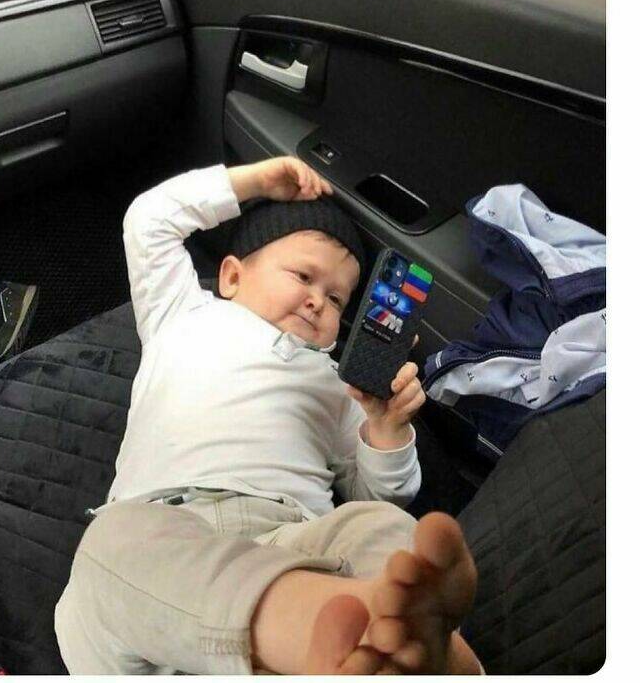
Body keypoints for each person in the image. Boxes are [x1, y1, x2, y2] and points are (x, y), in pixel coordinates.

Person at [54, 156, 482, 675]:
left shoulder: (338, 382)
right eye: (303, 276)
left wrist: (386, 430)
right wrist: (253, 181)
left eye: (337, 299)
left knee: (381, 526)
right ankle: (354, 636)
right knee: (112, 548)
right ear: (232, 276)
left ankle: (397, 637)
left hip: (290, 539)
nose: (317, 302)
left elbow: (375, 493)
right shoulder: (183, 312)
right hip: (168, 531)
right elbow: (150, 221)